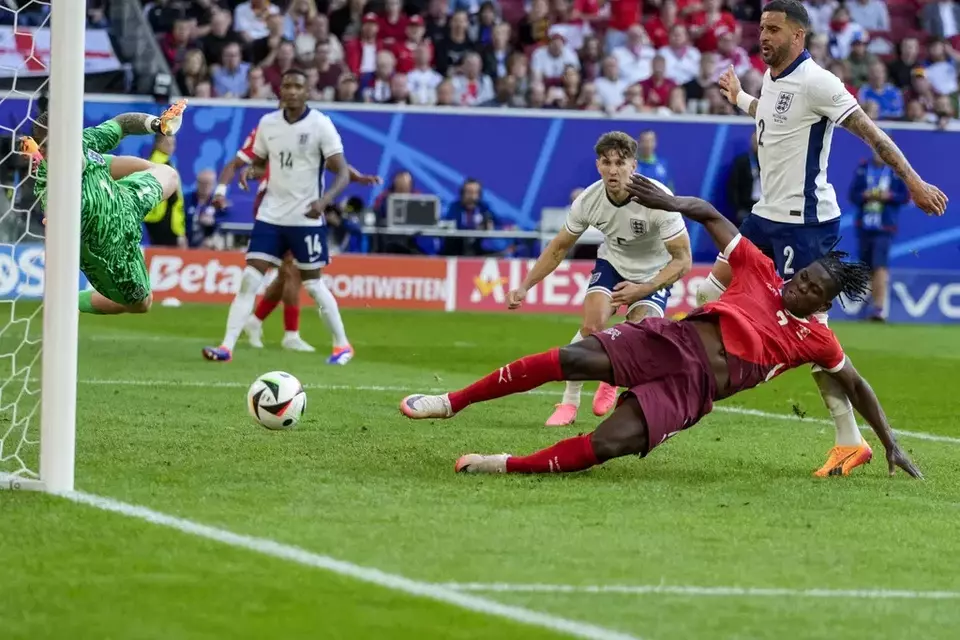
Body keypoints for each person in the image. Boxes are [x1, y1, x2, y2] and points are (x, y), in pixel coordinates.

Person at [399, 175, 923, 481]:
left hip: (691, 391)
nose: (800, 285)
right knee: (573, 357)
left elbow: (857, 386)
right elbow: (709, 212)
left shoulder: (818, 340)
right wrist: (671, 204)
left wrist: (890, 440)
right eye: (804, 275)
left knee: (608, 445)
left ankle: (503, 465)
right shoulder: (761, 269)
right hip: (669, 342)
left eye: (812, 288)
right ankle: (453, 402)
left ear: (825, 302)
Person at [706, 0, 947, 477]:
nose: (764, 37)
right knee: (708, 289)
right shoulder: (775, 76)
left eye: (774, 29)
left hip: (807, 225)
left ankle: (850, 439)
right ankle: (694, 375)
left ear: (799, 36)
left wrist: (913, 183)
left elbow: (873, 136)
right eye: (762, 28)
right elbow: (771, 116)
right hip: (766, 217)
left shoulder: (820, 82)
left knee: (813, 335)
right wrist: (738, 97)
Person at [508, 132, 692, 427]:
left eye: (620, 162)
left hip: (652, 273)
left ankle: (612, 378)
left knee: (637, 331)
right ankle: (568, 402)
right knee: (592, 326)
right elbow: (558, 248)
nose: (613, 170)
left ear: (634, 165)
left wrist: (643, 289)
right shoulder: (589, 200)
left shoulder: (657, 199)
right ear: (598, 166)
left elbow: (683, 260)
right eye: (607, 162)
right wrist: (525, 285)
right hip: (613, 263)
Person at [202, 69, 358, 365]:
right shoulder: (268, 124)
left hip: (306, 219)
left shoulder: (320, 125)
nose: (291, 91)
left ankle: (342, 345)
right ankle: (226, 347)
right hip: (271, 216)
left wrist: (323, 201)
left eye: (298, 86)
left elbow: (343, 171)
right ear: (280, 91)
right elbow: (260, 159)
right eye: (286, 85)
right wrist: (249, 173)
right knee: (249, 278)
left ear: (307, 91)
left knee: (312, 285)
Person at [24, 100, 187, 315]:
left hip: (125, 202)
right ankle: (67, 300)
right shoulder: (48, 178)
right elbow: (54, 213)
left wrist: (157, 124)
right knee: (141, 304)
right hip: (107, 249)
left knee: (168, 174)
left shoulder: (82, 140)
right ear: (44, 147)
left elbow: (122, 123)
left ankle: (132, 174)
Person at [850, 148, 909, 321]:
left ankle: (879, 308)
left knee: (879, 266)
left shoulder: (896, 171)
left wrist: (889, 195)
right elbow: (852, 195)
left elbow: (905, 197)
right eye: (877, 150)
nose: (880, 154)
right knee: (865, 267)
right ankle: (867, 304)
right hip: (865, 226)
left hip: (884, 227)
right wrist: (864, 195)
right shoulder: (863, 169)